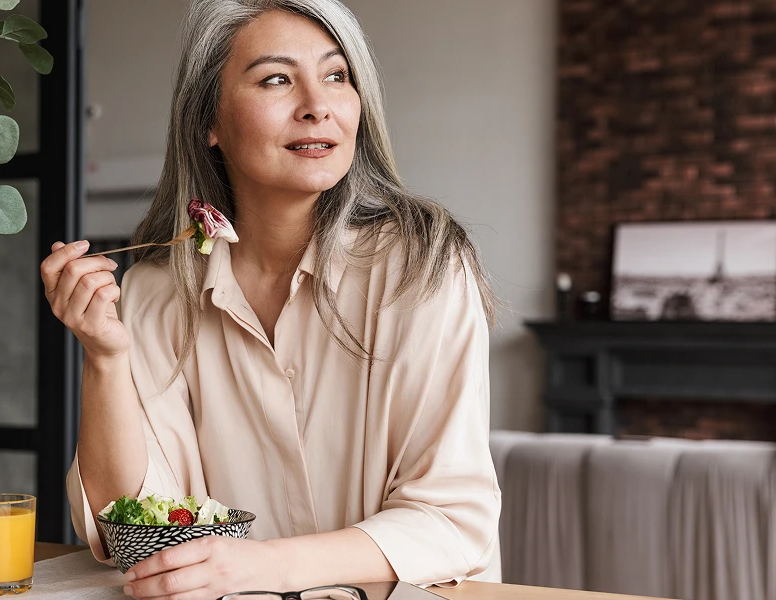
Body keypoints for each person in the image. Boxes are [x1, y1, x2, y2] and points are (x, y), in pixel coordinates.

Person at [40, 0, 502, 596]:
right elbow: (132, 528)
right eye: (277, 79)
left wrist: (261, 565)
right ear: (209, 118)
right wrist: (104, 358)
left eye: (337, 76)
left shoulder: (424, 264)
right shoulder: (157, 290)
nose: (318, 105)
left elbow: (451, 521)